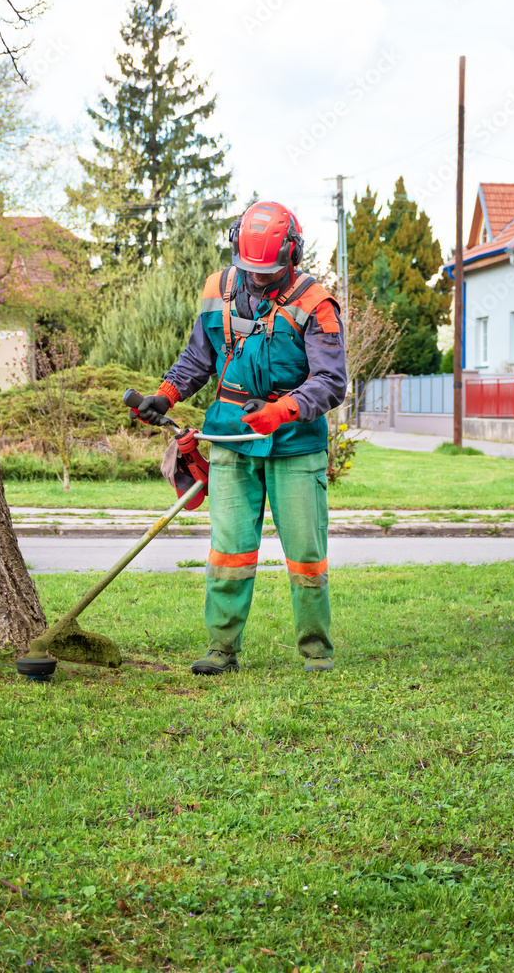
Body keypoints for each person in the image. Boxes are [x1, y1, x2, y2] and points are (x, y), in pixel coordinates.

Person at [133, 201, 347, 674]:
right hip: (230, 436)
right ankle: (221, 649)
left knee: (306, 554)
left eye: (268, 271)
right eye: (250, 268)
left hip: (294, 443)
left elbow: (332, 381)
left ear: (293, 255)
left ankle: (316, 652)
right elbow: (198, 358)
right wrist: (165, 396)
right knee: (228, 549)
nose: (257, 278)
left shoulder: (317, 303)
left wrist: (283, 409)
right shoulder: (219, 288)